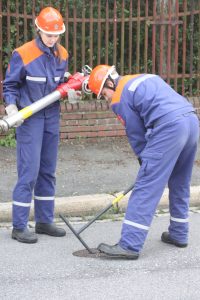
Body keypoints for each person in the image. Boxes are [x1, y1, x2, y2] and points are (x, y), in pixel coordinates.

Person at [88, 65, 199, 259]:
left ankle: (130, 244)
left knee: (146, 185)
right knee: (180, 180)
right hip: (191, 121)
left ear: (109, 83)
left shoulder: (119, 97)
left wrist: (144, 161)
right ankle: (179, 233)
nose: (106, 99)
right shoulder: (142, 77)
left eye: (103, 94)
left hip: (169, 127)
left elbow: (136, 133)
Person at [3, 7, 68, 243]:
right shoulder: (23, 54)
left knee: (47, 171)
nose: (52, 39)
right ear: (38, 29)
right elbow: (10, 86)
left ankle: (44, 221)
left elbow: (62, 83)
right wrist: (12, 109)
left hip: (51, 117)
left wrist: (71, 91)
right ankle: (19, 226)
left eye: (56, 35)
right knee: (29, 172)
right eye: (48, 34)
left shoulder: (62, 54)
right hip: (29, 119)